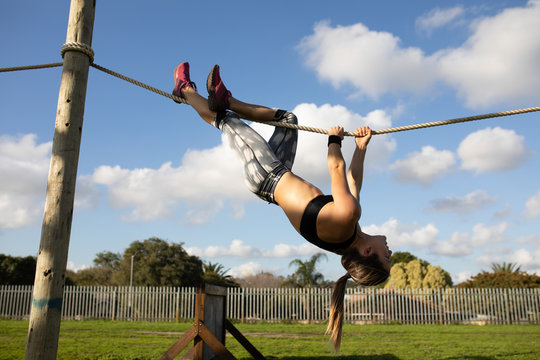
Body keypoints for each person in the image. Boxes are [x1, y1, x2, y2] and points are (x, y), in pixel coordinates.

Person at [172, 62, 392, 351]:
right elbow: (354, 182)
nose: (390, 252)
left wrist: (335, 139)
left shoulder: (347, 219)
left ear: (366, 253)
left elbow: (336, 167)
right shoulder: (348, 232)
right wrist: (361, 148)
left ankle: (184, 90)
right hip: (277, 170)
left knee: (225, 121)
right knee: (288, 119)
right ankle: (227, 99)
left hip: (265, 174)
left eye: (386, 257)